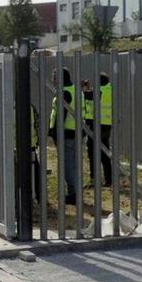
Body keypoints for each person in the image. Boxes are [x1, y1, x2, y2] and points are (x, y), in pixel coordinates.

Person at [49, 68, 79, 205]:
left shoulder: (65, 93)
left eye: (54, 77)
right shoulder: (75, 90)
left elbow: (61, 116)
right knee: (72, 164)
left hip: (66, 134)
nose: (53, 80)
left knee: (67, 165)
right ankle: (75, 191)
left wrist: (55, 133)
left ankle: (74, 194)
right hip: (76, 132)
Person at [85, 73, 113, 187]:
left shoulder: (101, 90)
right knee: (104, 153)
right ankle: (108, 179)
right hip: (107, 125)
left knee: (93, 152)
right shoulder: (109, 89)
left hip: (98, 126)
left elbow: (88, 96)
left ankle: (94, 179)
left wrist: (84, 88)